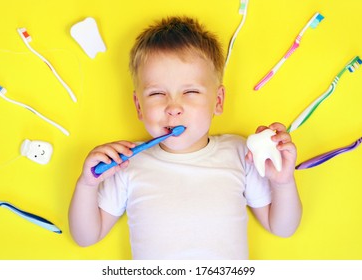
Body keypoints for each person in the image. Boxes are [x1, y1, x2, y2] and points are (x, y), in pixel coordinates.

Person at [69, 16, 302, 259]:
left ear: (218, 101)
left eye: (190, 91)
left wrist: (283, 182)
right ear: (139, 106)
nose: (173, 107)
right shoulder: (126, 163)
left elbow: (283, 228)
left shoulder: (240, 153)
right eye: (157, 93)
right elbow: (86, 237)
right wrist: (87, 184)